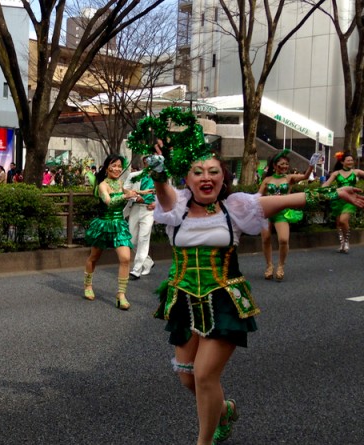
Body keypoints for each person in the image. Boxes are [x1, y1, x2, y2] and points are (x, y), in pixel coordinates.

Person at [139, 132, 364, 445]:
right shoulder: (176, 208)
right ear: (187, 180)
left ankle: (204, 441)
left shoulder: (236, 208)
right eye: (198, 172)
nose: (206, 177)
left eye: (213, 172)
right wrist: (159, 172)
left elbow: (290, 199)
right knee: (188, 377)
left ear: (223, 178)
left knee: (204, 376)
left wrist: (335, 193)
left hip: (224, 301)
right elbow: (164, 193)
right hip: (184, 301)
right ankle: (224, 410)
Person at [82, 154, 138, 309]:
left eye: (120, 166)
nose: (117, 169)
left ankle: (121, 295)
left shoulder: (119, 183)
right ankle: (88, 285)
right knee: (94, 257)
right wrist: (126, 196)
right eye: (114, 166)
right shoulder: (102, 185)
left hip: (119, 225)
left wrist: (139, 194)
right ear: (107, 168)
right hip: (104, 225)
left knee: (125, 258)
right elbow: (109, 202)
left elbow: (127, 193)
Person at [257, 150, 315, 280]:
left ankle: (281, 266)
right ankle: (269, 266)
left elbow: (305, 177)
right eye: (282, 164)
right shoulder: (267, 179)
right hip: (267, 213)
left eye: (286, 164)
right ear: (274, 165)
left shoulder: (289, 178)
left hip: (281, 213)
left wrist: (311, 166)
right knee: (265, 239)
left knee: (283, 240)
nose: (285, 166)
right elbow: (258, 196)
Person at [322, 151, 364, 253]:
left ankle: (346, 242)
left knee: (343, 220)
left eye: (351, 160)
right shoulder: (336, 173)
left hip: (350, 199)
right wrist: (323, 188)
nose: (350, 162)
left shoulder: (356, 172)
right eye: (348, 160)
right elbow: (326, 184)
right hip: (338, 199)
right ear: (342, 162)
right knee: (338, 223)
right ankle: (342, 243)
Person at [124, 155, 156, 280]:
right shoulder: (134, 176)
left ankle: (136, 270)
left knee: (143, 238)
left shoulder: (161, 178)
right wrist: (136, 197)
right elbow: (125, 190)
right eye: (147, 162)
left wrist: (157, 204)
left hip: (149, 211)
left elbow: (166, 194)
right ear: (144, 163)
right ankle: (148, 262)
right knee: (131, 240)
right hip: (135, 208)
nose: (149, 164)